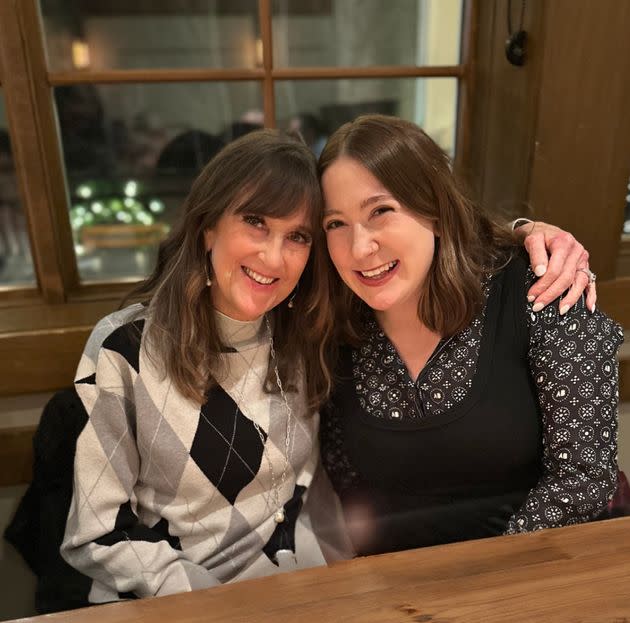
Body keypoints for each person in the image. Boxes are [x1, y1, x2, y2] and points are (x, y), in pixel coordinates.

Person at [316, 114, 622, 557]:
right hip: (400, 584)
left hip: (540, 566)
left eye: (381, 211)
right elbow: (345, 477)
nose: (359, 247)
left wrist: (479, 580)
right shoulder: (338, 325)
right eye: (336, 224)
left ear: (436, 212)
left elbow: (584, 477)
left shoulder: (541, 290)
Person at [60, 129, 334, 604]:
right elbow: (94, 535)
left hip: (285, 591)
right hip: (167, 600)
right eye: (255, 222)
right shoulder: (124, 348)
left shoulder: (302, 337)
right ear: (209, 226)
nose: (273, 256)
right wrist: (211, 602)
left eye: (297, 237)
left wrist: (512, 234)